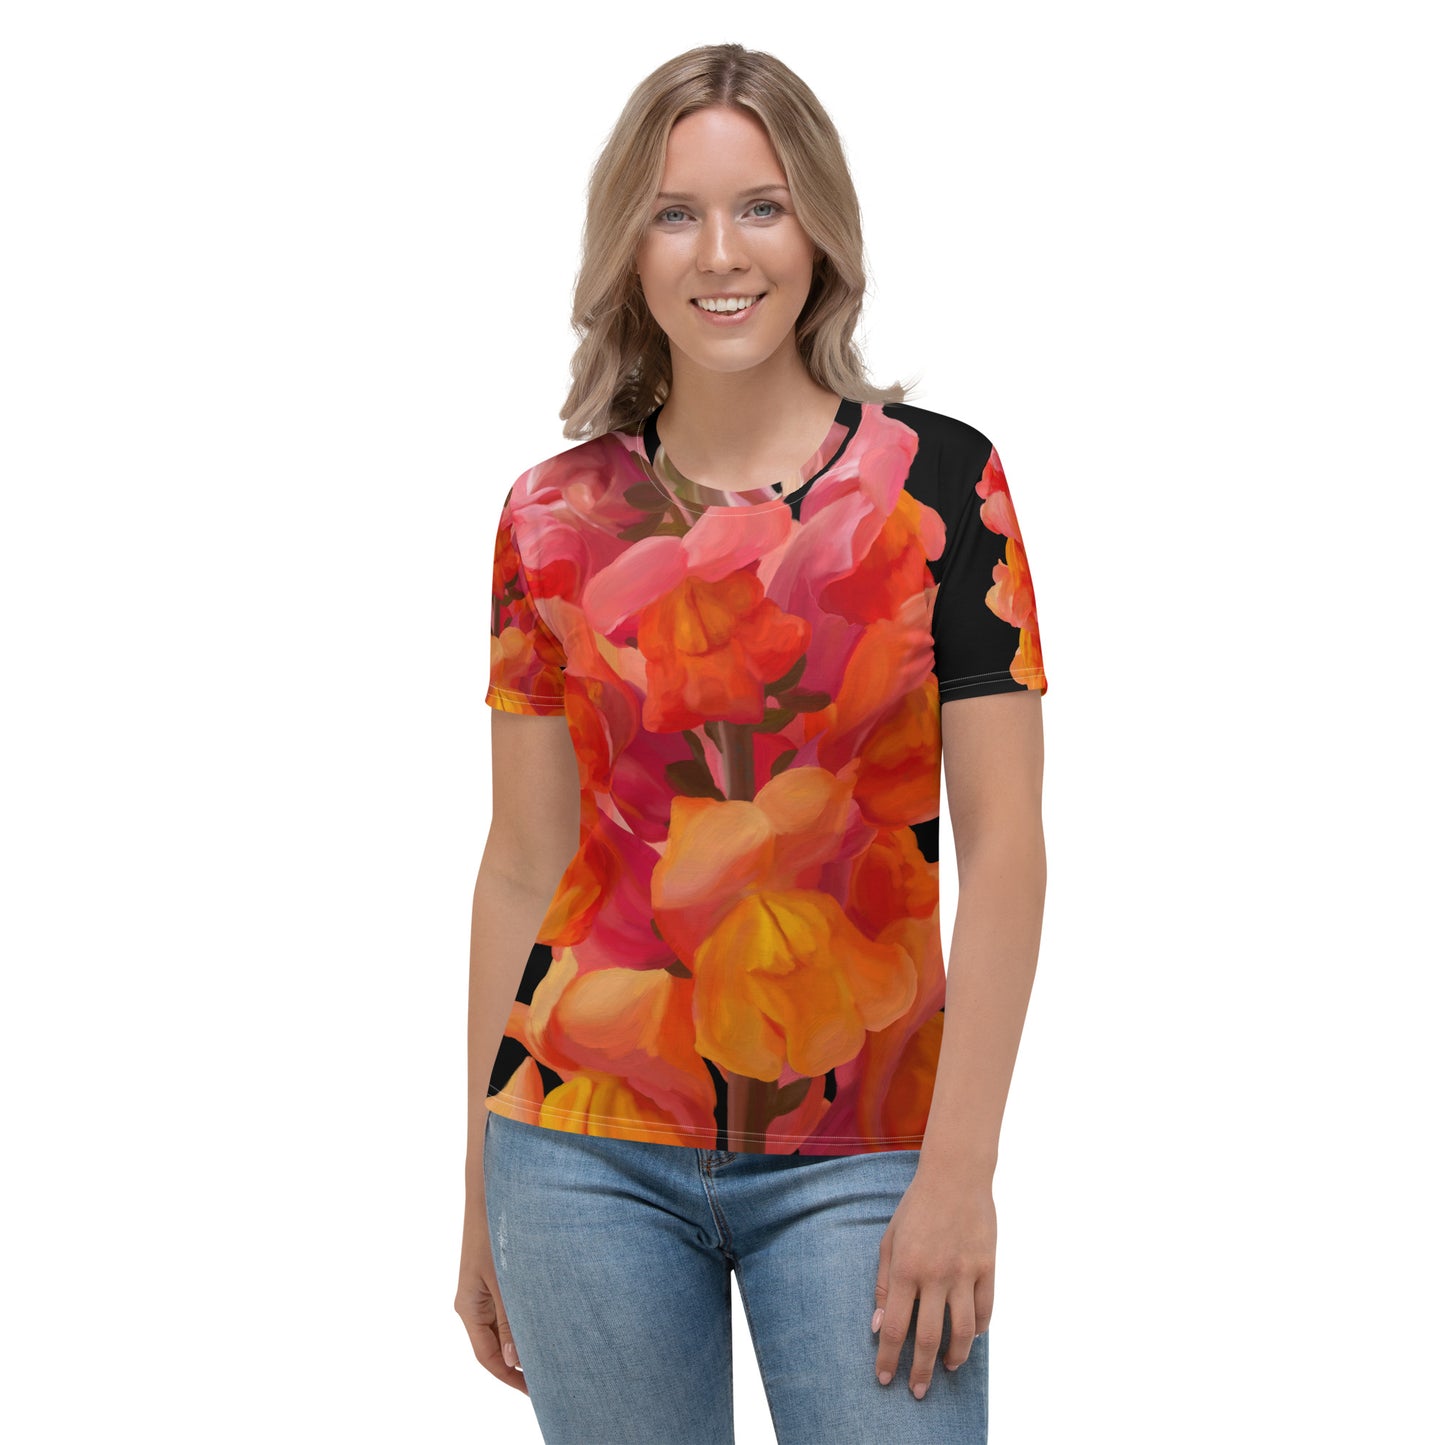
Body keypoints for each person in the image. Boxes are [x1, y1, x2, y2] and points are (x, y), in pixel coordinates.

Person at [455, 42, 1049, 1445]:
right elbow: (522, 861)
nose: (721, 253)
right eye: (676, 213)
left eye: (761, 206)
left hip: (872, 1152)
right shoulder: (549, 516)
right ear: (629, 248)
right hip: (580, 1147)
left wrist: (960, 1172)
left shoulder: (942, 487)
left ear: (819, 230)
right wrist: (477, 1189)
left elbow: (1007, 849)